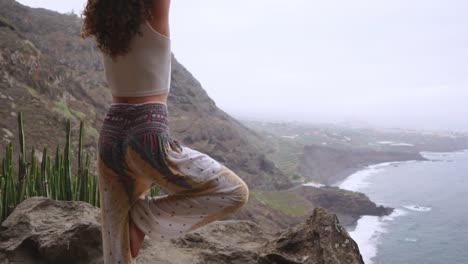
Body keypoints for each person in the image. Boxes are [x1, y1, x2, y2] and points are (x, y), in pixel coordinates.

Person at [81, 1, 250, 263]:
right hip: (146, 135)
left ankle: (134, 223)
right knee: (234, 191)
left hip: (110, 135)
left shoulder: (106, 22)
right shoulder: (155, 13)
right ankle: (141, 218)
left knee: (117, 252)